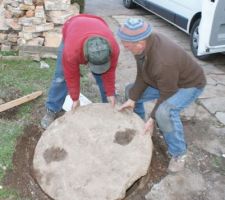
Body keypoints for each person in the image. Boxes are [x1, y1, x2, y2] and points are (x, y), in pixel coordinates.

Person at [117, 18, 206, 173]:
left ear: (140, 44)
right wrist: (132, 99)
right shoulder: (142, 46)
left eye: (127, 46)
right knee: (130, 91)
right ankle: (140, 125)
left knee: (164, 113)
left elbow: (167, 92)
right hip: (167, 80)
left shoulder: (163, 61)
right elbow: (143, 75)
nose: (126, 48)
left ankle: (179, 153)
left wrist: (153, 118)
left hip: (188, 84)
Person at [41, 14, 120, 129]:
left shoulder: (113, 48)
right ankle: (52, 109)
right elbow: (71, 76)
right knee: (61, 77)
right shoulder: (71, 52)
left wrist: (111, 93)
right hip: (73, 28)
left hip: (98, 25)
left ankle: (109, 108)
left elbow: (110, 71)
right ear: (86, 59)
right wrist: (75, 98)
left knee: (103, 76)